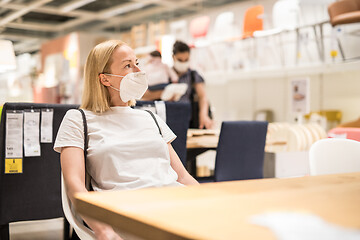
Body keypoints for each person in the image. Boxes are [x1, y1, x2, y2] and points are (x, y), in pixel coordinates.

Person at [54, 40, 198, 240]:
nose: (139, 70)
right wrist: (103, 230)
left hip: (174, 206)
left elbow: (182, 177)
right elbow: (75, 186)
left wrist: (211, 206)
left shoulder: (150, 118)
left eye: (137, 62)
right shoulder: (78, 119)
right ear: (105, 79)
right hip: (127, 215)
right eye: (128, 65)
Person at [143, 41, 213, 129]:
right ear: (173, 57)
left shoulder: (194, 76)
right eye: (180, 60)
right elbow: (145, 96)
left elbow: (202, 97)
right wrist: (165, 93)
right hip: (168, 119)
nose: (183, 63)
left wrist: (204, 115)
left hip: (189, 119)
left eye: (186, 60)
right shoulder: (165, 74)